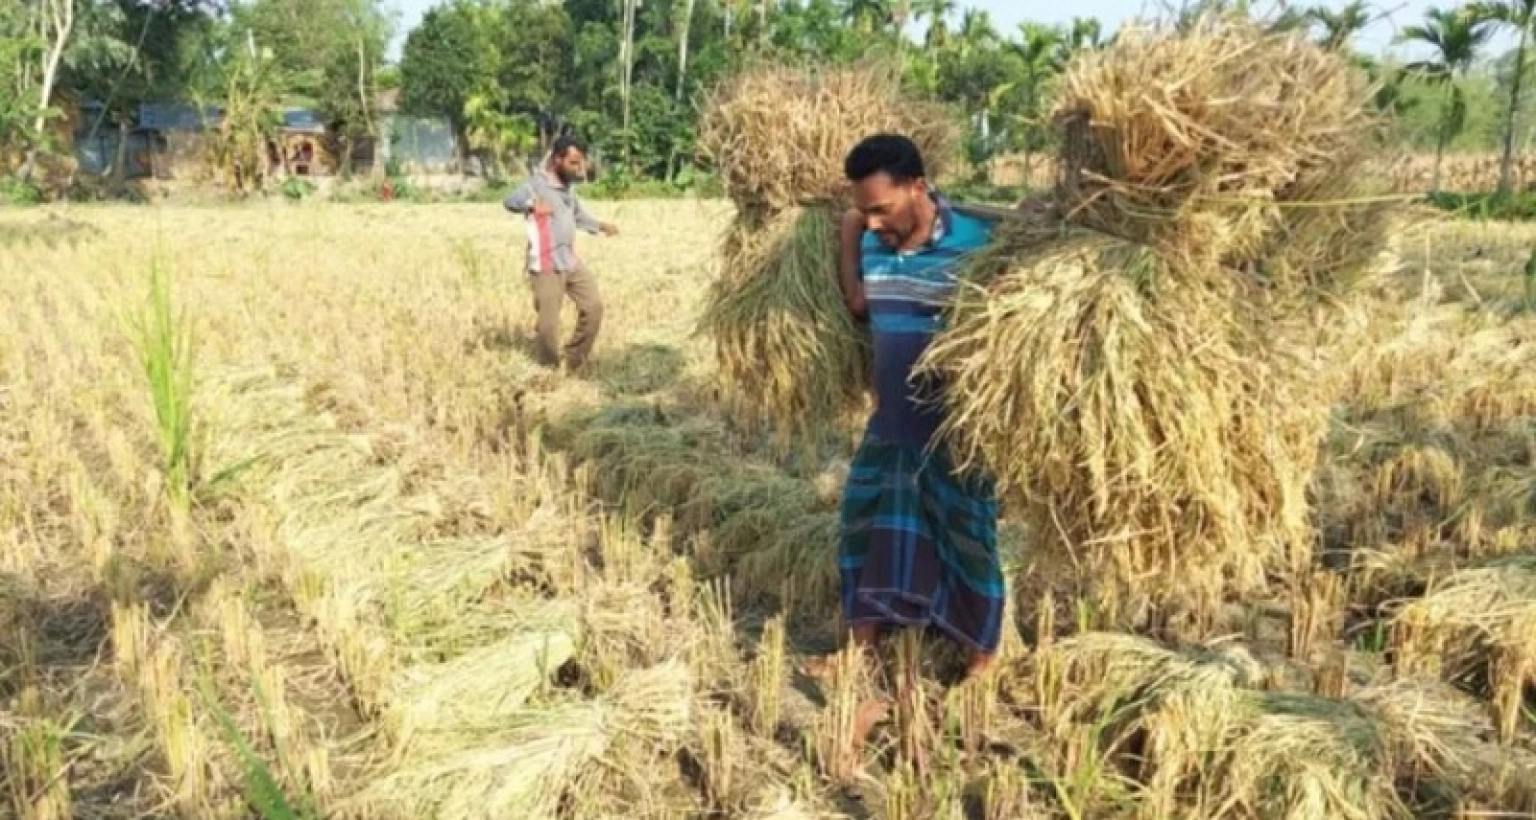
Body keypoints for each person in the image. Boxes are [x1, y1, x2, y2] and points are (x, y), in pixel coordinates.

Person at [815, 134, 1005, 741]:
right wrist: (852, 256)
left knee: (967, 536)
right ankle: (864, 646)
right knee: (863, 521)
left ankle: (981, 659)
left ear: (919, 187)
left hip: (957, 428)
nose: (873, 222)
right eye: (865, 210)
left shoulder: (978, 242)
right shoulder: (872, 240)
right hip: (891, 419)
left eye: (882, 209)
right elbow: (855, 264)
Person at [503, 136, 619, 372]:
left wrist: (599, 226)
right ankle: (549, 369)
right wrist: (531, 205)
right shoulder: (537, 184)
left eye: (580, 163)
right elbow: (509, 201)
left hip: (570, 260)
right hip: (545, 263)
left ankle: (575, 359)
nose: (579, 168)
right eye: (574, 163)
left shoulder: (568, 189)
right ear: (557, 159)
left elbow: (577, 215)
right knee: (548, 326)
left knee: (594, 307)